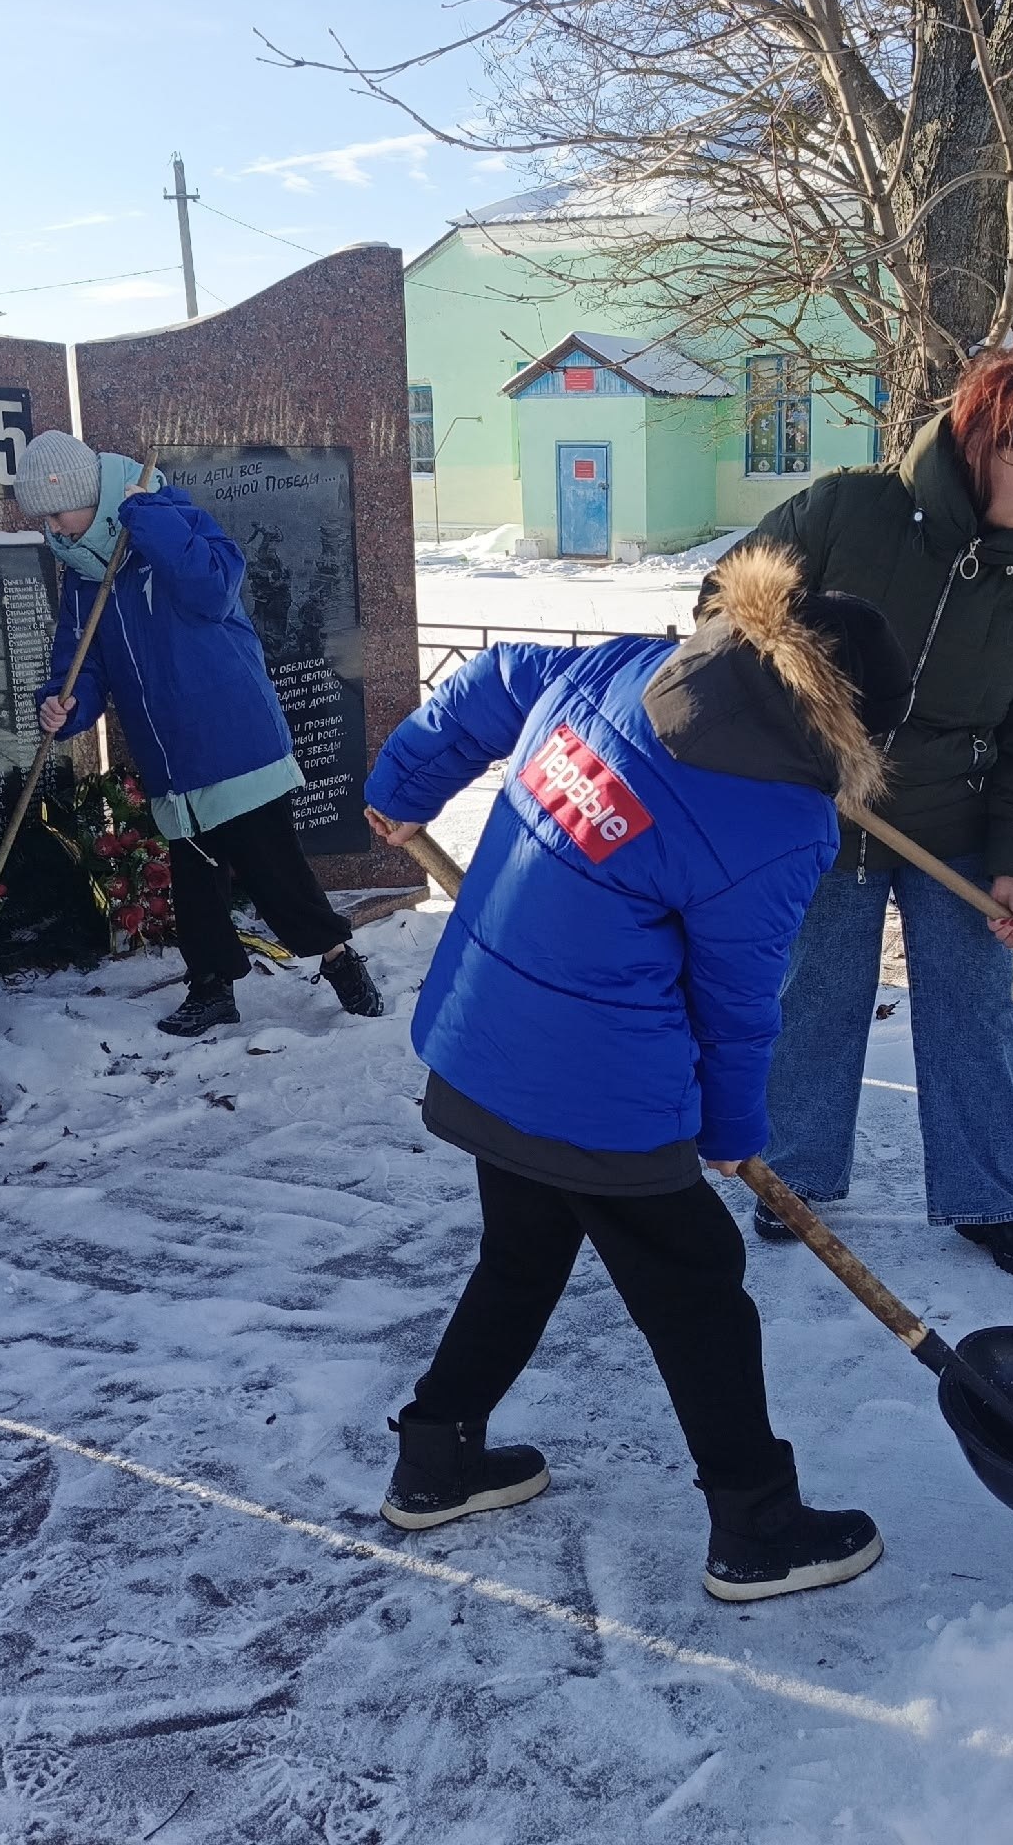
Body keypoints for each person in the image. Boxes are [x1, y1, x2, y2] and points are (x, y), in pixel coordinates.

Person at [361, 543, 914, 1602]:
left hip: (485, 1043)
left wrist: (401, 785)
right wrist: (732, 1128)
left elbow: (481, 687)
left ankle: (437, 1457)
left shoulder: (616, 668)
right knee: (698, 1287)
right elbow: (740, 999)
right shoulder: (779, 824)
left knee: (524, 1252)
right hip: (592, 1088)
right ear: (841, 725)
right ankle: (756, 1526)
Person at [718, 350, 1013, 1280]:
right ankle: (795, 1180)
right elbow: (731, 605)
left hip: (961, 818)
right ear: (976, 443)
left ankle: (988, 1198)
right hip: (825, 802)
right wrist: (796, 719)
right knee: (814, 998)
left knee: (972, 1010)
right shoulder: (852, 508)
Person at [13, 431, 383, 1033]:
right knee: (197, 882)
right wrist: (65, 705)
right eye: (45, 519)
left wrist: (146, 517)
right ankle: (212, 987)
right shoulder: (84, 577)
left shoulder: (174, 521)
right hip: (171, 756)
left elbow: (213, 588)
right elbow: (81, 664)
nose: (55, 527)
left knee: (274, 874)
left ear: (95, 497)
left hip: (235, 741)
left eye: (59, 512)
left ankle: (337, 957)